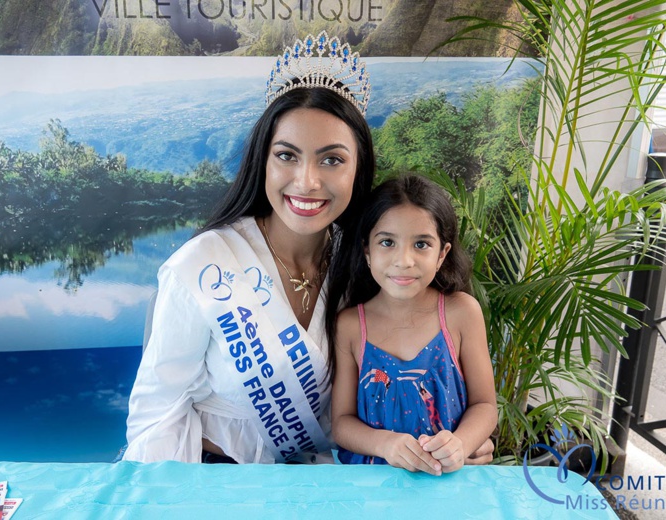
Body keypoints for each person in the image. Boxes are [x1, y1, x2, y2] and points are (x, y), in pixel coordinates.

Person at [124, 32, 494, 465]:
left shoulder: (365, 261)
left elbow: (376, 395)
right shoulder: (205, 264)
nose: (306, 181)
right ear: (263, 160)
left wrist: (457, 444)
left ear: (358, 170)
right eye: (287, 156)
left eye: (332, 160)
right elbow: (157, 415)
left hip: (323, 484)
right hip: (216, 483)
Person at [330, 175, 497, 475]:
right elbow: (342, 423)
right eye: (387, 242)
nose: (403, 260)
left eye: (421, 244)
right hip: (369, 487)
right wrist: (385, 444)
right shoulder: (352, 326)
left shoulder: (461, 314)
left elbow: (485, 405)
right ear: (367, 251)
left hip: (446, 481)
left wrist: (460, 444)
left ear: (442, 254)